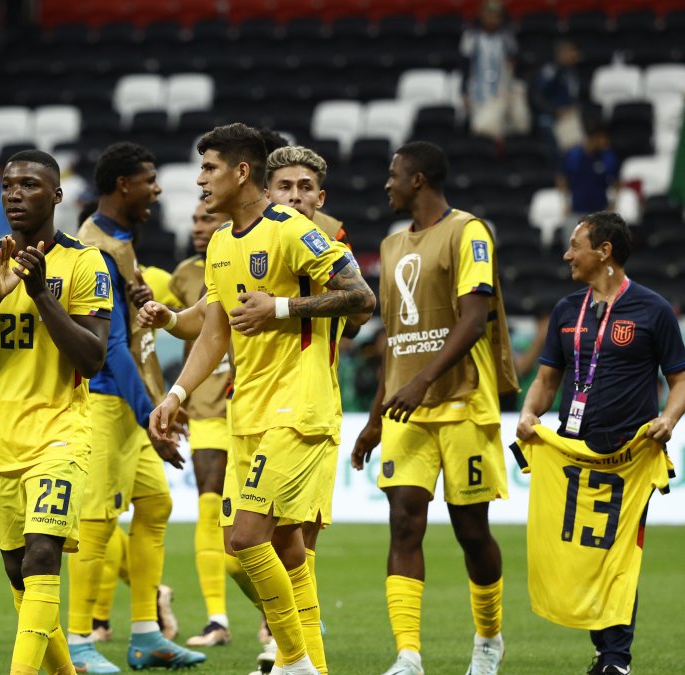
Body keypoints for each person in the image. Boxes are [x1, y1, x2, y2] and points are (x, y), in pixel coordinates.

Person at [150, 123, 375, 675]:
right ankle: (312, 666)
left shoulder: (295, 231)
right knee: (280, 548)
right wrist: (177, 392)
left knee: (249, 538)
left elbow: (361, 297)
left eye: (209, 168)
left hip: (298, 410)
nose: (200, 180)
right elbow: (215, 331)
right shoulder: (223, 243)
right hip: (245, 413)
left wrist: (281, 309)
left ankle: (293, 661)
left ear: (241, 172)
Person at [351, 141, 519, 675]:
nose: (387, 184)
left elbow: (473, 320)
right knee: (404, 523)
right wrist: (375, 418)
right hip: (407, 408)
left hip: (463, 401)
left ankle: (489, 639)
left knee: (471, 530)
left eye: (394, 175)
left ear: (418, 179)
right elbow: (394, 340)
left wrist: (422, 381)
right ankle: (408, 655)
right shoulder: (392, 245)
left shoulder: (470, 232)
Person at [0, 149, 111, 675]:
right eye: (9, 186)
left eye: (30, 185)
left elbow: (93, 356)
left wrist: (41, 295)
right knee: (19, 573)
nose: (15, 194)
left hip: (61, 434)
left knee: (42, 556)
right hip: (0, 440)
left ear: (57, 195)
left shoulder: (85, 262)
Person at [515, 212, 685, 675]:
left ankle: (616, 660)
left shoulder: (653, 310)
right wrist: (530, 413)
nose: (567, 254)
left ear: (604, 251)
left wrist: (669, 419)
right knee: (584, 555)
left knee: (619, 555)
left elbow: (680, 379)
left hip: (630, 458)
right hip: (573, 454)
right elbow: (547, 378)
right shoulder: (567, 310)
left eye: (576, 245)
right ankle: (604, 649)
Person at [69, 142, 205, 673]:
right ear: (123, 185)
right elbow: (110, 346)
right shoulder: (96, 247)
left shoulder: (121, 239)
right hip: (106, 401)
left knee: (154, 507)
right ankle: (79, 642)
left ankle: (146, 634)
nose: (157, 189)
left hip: (131, 402)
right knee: (98, 519)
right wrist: (155, 412)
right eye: (149, 179)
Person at [169, 197, 235, 649]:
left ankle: (280, 617)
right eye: (193, 219)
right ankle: (217, 618)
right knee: (209, 504)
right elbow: (186, 328)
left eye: (207, 218)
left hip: (259, 406)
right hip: (208, 408)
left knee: (259, 525)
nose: (197, 226)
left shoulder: (251, 255)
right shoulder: (184, 275)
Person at [460, 0, 529, 142]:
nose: (492, 19)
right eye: (488, 15)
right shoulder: (471, 37)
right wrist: (464, 92)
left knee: (505, 129)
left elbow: (515, 62)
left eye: (496, 16)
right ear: (481, 16)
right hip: (478, 91)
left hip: (501, 91)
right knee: (481, 129)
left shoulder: (507, 38)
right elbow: (464, 66)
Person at [558, 121, 619, 228]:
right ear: (594, 138)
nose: (606, 142)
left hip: (600, 214)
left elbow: (617, 183)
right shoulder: (573, 155)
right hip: (576, 212)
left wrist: (613, 204)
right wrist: (565, 202)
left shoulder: (608, 157)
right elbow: (562, 179)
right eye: (603, 138)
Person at [531, 40, 585, 157]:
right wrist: (554, 111)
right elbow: (537, 96)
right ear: (562, 53)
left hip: (568, 119)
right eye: (571, 51)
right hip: (550, 119)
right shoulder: (551, 70)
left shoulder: (572, 73)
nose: (575, 55)